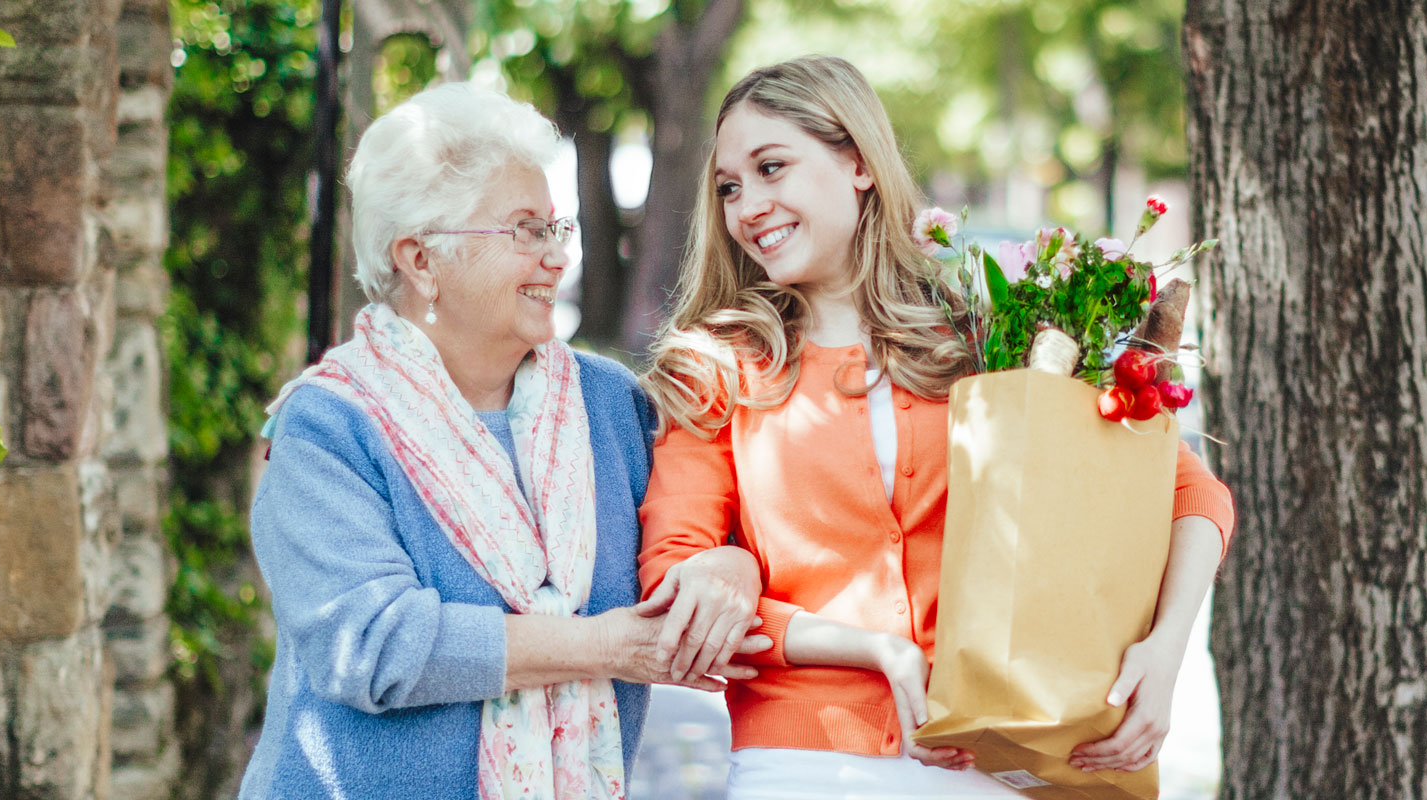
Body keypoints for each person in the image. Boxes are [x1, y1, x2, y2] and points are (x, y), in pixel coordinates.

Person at [636, 55, 1235, 799]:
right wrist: (874, 650)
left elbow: (1188, 491)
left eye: (772, 168)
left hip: (995, 760)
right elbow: (674, 581)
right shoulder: (717, 366)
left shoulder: (989, 340)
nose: (747, 205)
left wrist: (1164, 650)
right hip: (803, 764)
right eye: (729, 187)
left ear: (858, 163)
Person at [238, 83, 764, 800]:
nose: (557, 259)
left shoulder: (609, 406)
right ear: (421, 260)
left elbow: (695, 536)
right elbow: (371, 644)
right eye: (525, 231)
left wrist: (729, 565)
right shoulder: (328, 426)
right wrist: (605, 646)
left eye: (557, 230)